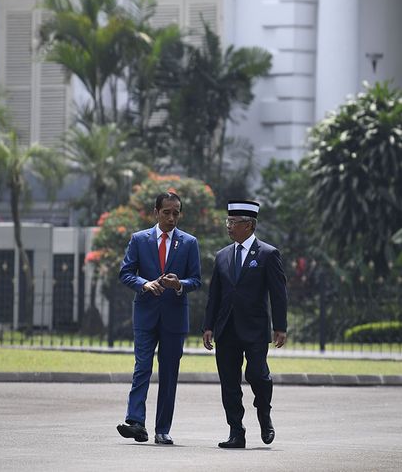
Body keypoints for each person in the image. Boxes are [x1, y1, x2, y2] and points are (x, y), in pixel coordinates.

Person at [116, 192, 202, 445]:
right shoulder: (139, 239)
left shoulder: (189, 242)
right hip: (145, 315)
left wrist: (179, 284)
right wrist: (144, 284)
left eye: (176, 213)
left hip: (174, 319)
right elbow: (126, 273)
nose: (171, 218)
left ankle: (162, 429)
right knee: (141, 368)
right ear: (156, 212)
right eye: (166, 212)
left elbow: (196, 280)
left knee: (169, 373)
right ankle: (135, 422)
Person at [202, 200, 288, 449]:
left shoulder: (268, 254)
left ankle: (264, 412)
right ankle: (236, 432)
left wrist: (280, 326)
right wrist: (208, 326)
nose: (228, 226)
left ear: (249, 225)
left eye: (233, 222)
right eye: (227, 221)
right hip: (226, 328)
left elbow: (278, 293)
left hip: (255, 328)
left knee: (257, 374)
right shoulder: (222, 255)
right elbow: (214, 295)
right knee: (229, 382)